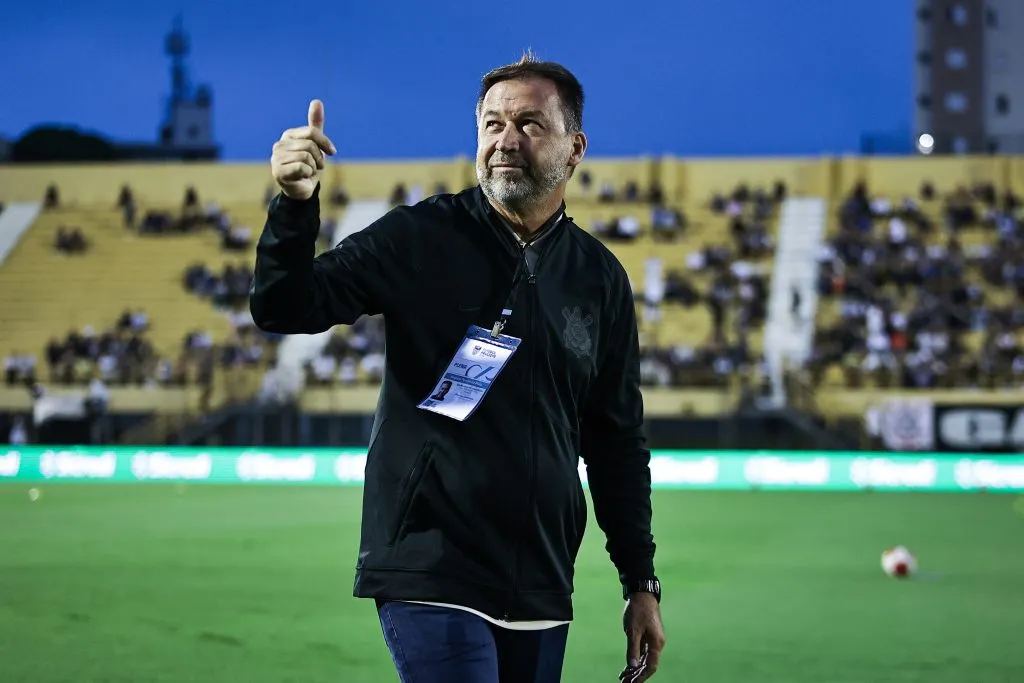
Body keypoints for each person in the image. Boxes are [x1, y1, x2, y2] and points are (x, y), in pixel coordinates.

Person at [251, 52, 666, 683]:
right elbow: (285, 305)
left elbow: (615, 443)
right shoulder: (421, 236)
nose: (506, 140)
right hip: (430, 561)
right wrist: (292, 207)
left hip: (541, 579)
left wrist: (641, 581)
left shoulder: (600, 278)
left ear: (575, 147)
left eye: (530, 124)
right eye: (493, 124)